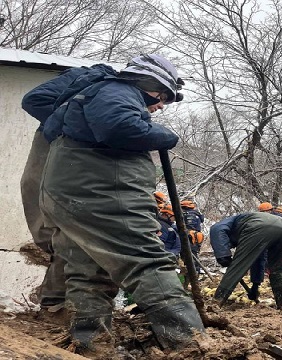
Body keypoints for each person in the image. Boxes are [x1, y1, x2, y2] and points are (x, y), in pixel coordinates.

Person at [38, 54, 205, 352]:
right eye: (163, 96)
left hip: (76, 191)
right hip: (102, 193)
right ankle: (192, 347)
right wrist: (165, 135)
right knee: (146, 260)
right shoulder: (117, 90)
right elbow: (119, 127)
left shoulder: (98, 93)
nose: (162, 104)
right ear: (149, 83)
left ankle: (92, 345)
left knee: (88, 270)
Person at [21, 64, 117, 311]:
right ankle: (56, 304)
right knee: (58, 232)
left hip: (76, 163)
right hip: (54, 151)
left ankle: (56, 303)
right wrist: (74, 126)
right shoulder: (94, 77)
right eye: (161, 98)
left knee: (70, 235)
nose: (160, 106)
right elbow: (34, 100)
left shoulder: (116, 98)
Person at [209, 212, 282, 308]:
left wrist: (223, 255)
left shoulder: (227, 224)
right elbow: (258, 259)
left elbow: (216, 229)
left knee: (237, 266)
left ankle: (216, 302)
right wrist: (255, 286)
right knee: (278, 268)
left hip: (260, 226)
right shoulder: (245, 224)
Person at [181, 199, 205, 273]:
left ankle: (194, 272)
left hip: (191, 237)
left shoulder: (189, 215)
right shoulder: (197, 214)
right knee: (193, 253)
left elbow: (189, 227)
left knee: (190, 254)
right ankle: (195, 270)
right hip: (196, 237)